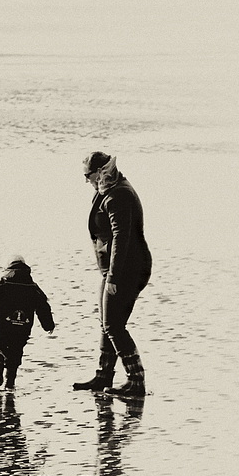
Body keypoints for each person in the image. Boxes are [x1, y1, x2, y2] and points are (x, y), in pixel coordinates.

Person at [72, 152, 152, 397]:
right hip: (113, 269)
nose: (86, 180)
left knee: (114, 326)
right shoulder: (108, 189)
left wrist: (115, 277)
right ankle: (103, 376)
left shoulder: (119, 194)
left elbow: (121, 238)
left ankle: (136, 381)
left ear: (99, 172)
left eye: (88, 175)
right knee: (106, 323)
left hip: (128, 269)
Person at [0, 255, 55, 389]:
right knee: (14, 357)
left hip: (0, 327)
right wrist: (48, 325)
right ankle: (10, 386)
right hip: (22, 329)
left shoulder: (3, 282)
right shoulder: (33, 287)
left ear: (8, 267)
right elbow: (43, 307)